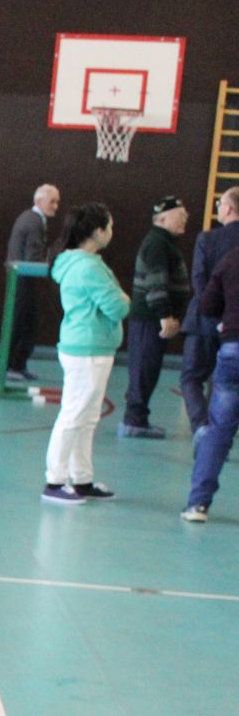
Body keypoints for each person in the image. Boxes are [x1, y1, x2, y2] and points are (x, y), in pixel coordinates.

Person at [44, 203, 131, 504]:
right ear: (97, 231)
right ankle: (54, 481)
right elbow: (118, 306)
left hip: (93, 348)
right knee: (74, 414)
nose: (111, 232)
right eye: (109, 226)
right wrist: (122, 298)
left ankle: (81, 479)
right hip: (87, 350)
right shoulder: (88, 267)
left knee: (87, 417)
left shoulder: (85, 262)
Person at [120, 195, 191, 438]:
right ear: (162, 218)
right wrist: (165, 316)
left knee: (147, 369)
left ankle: (137, 418)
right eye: (180, 216)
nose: (185, 219)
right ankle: (134, 421)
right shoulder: (158, 244)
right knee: (144, 369)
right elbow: (155, 283)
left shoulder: (164, 242)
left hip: (152, 319)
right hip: (150, 320)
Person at [181, 244, 239, 522]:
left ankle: (197, 505)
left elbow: (207, 304)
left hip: (232, 350)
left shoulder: (231, 257)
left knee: (218, 432)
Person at [181, 188, 239, 435]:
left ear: (228, 208)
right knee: (224, 382)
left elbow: (199, 281)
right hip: (235, 323)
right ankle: (218, 433)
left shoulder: (207, 239)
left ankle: (201, 428)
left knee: (192, 377)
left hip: (204, 320)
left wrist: (211, 313)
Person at [2, 184, 60, 382]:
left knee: (25, 324)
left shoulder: (31, 219)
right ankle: (8, 366)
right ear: (39, 201)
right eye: (52, 201)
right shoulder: (34, 221)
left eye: (57, 202)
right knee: (23, 324)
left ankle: (13, 365)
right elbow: (32, 257)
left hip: (21, 281)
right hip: (22, 281)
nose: (56, 206)